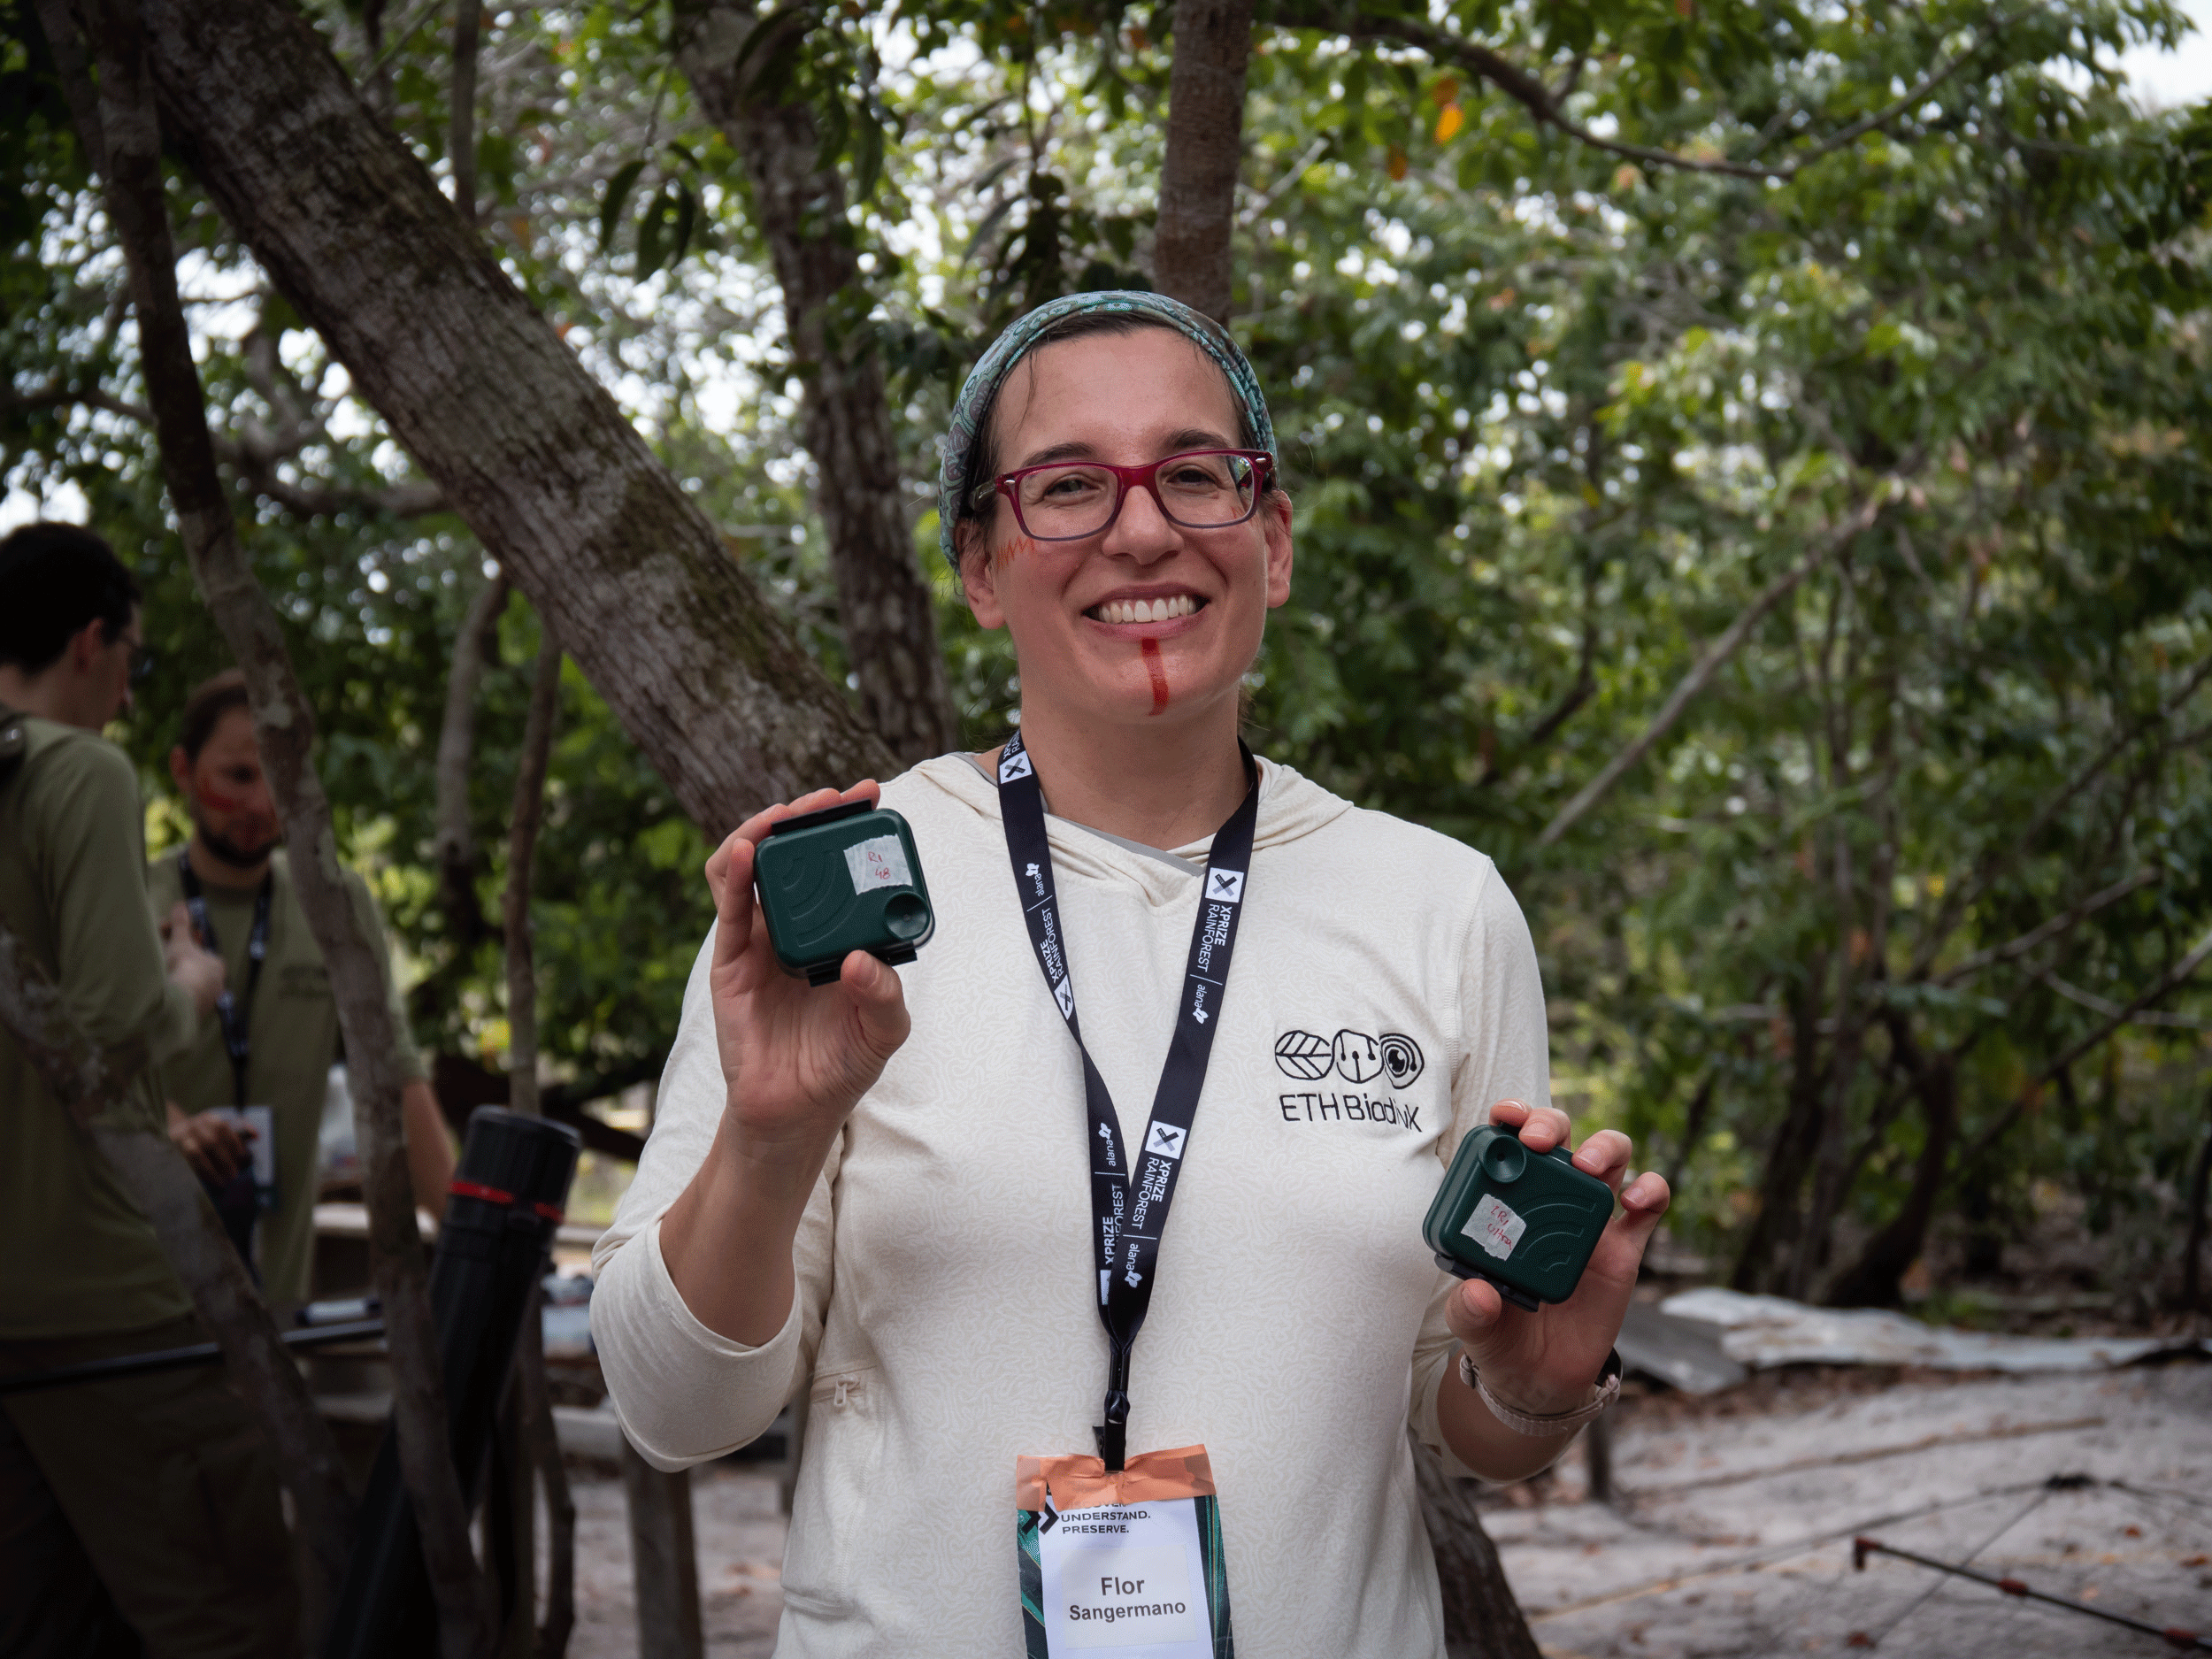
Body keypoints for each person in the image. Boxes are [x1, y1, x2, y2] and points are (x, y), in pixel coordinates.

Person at [591, 292, 1672, 1656]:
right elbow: (672, 1408)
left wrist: (1534, 1389)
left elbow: (1457, 1409)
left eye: (1196, 473)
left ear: (1271, 541)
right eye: (1065, 487)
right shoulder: (845, 903)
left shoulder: (1437, 906)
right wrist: (770, 1134)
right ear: (981, 568)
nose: (1143, 527)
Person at [0, 522, 296, 1658]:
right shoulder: (72, 768)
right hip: (101, 1294)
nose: (127, 695)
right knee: (226, 1606)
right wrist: (189, 979)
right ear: (91, 642)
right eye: (132, 659)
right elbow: (117, 1026)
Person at [148, 668, 456, 1306]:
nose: (262, 804)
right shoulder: (130, 896)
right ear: (183, 771)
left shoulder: (335, 903)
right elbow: (85, 1067)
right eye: (238, 775)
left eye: (281, 777)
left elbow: (396, 1074)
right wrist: (165, 1123)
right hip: (141, 1289)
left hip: (277, 1302)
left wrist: (471, 1239)